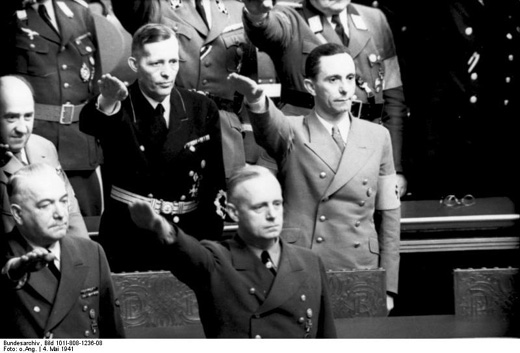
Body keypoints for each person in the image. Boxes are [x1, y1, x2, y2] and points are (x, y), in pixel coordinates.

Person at [228, 43, 401, 311]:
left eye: (350, 78)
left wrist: (388, 286)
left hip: (360, 270)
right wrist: (257, 100)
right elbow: (270, 128)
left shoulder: (378, 136)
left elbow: (389, 215)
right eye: (333, 79)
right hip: (301, 265)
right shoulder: (291, 130)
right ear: (311, 86)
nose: (345, 89)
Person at [79, 23, 227, 272]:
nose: (167, 73)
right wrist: (107, 99)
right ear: (135, 65)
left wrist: (209, 242)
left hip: (187, 235)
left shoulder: (201, 108)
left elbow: (215, 182)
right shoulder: (118, 104)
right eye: (156, 64)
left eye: (173, 62)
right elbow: (91, 122)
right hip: (130, 240)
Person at [128, 164, 337, 338]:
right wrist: (161, 227)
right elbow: (187, 252)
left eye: (277, 204)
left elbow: (327, 337)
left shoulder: (309, 261)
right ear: (233, 212)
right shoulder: (217, 261)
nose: (272, 215)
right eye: (259, 207)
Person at [242, 0, 408, 196]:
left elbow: (393, 99)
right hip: (310, 152)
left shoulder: (374, 18)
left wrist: (393, 168)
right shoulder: (289, 17)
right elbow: (266, 30)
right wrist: (257, 15)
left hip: (366, 151)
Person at [111, 0, 274, 176]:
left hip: (226, 137)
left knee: (223, 201)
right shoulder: (154, 7)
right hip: (171, 130)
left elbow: (249, 83)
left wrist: (250, 146)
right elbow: (128, 7)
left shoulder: (238, 8)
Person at [0, 0, 105, 217]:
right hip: (30, 145)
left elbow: (95, 83)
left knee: (85, 228)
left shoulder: (79, 12)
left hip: (80, 146)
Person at [0, 163, 124, 338]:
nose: (60, 213)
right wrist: (13, 273)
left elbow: (112, 333)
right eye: (45, 205)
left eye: (64, 201)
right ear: (18, 214)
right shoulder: (8, 259)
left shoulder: (90, 252)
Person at [0, 75, 88, 239]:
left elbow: (71, 212)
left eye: (28, 116)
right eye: (11, 117)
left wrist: (84, 260)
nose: (22, 128)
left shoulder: (44, 148)